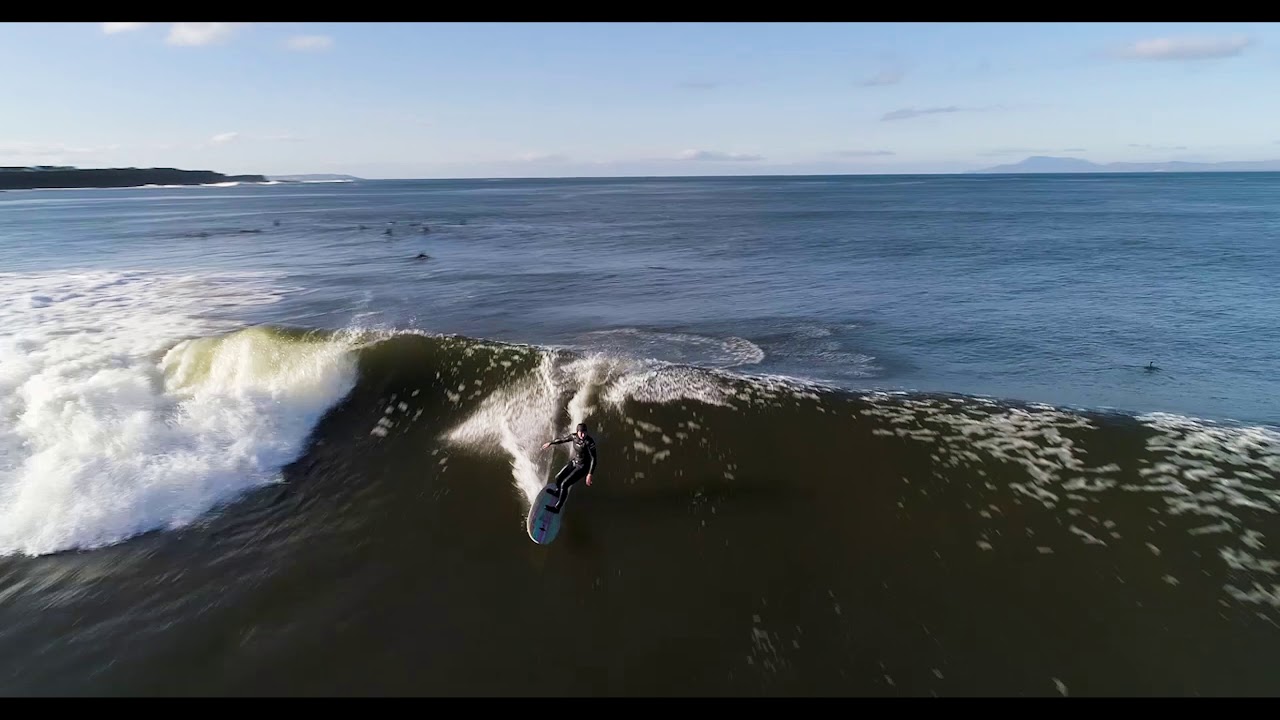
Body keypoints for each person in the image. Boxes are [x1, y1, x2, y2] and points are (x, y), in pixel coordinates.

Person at [540, 422, 596, 513]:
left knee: (564, 484)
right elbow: (562, 440)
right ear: (577, 432)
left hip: (583, 467)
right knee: (558, 477)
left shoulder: (589, 442)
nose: (583, 434)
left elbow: (594, 459)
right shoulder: (574, 437)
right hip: (575, 462)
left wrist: (590, 474)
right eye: (581, 432)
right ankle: (558, 493)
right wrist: (550, 443)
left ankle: (557, 508)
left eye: (585, 432)